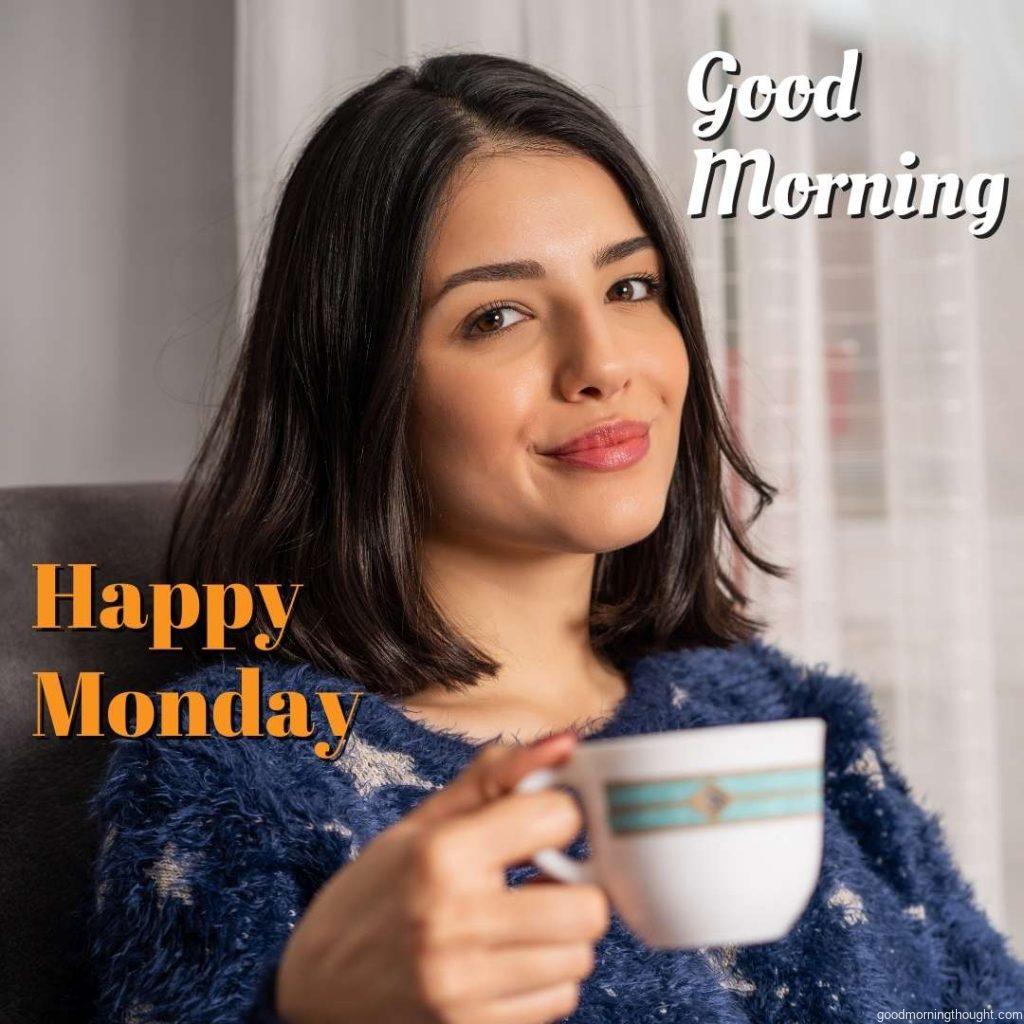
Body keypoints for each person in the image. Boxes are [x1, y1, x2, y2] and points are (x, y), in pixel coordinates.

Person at [87, 52, 1024, 1024]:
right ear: (357, 387)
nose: (603, 362)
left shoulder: (778, 710)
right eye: (498, 315)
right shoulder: (239, 769)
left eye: (630, 289)